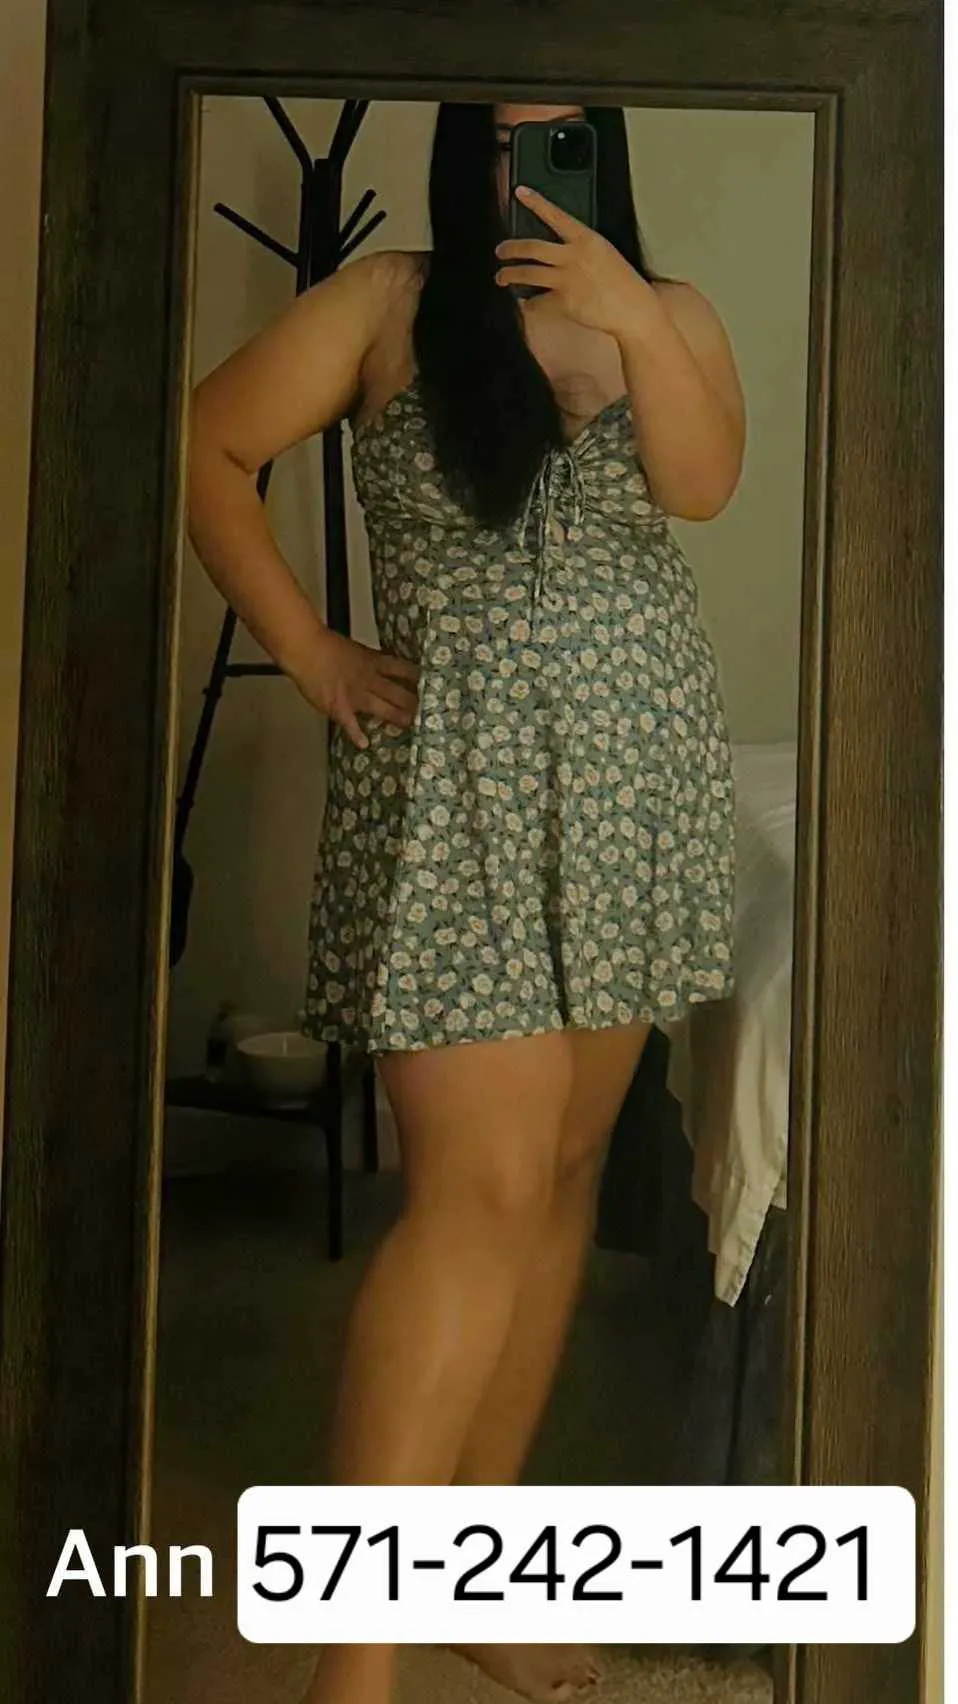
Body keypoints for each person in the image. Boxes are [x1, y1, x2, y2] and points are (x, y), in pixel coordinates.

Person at [188, 98, 745, 1704]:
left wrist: (631, 313)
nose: (522, 171)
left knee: (559, 1178)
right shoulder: (384, 304)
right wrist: (310, 651)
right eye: (496, 141)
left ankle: (470, 1568)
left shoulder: (669, 312)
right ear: (453, 154)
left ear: (604, 153)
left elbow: (700, 488)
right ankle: (352, 1664)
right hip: (460, 798)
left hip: (633, 786)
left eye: (557, 141)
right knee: (475, 1195)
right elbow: (205, 444)